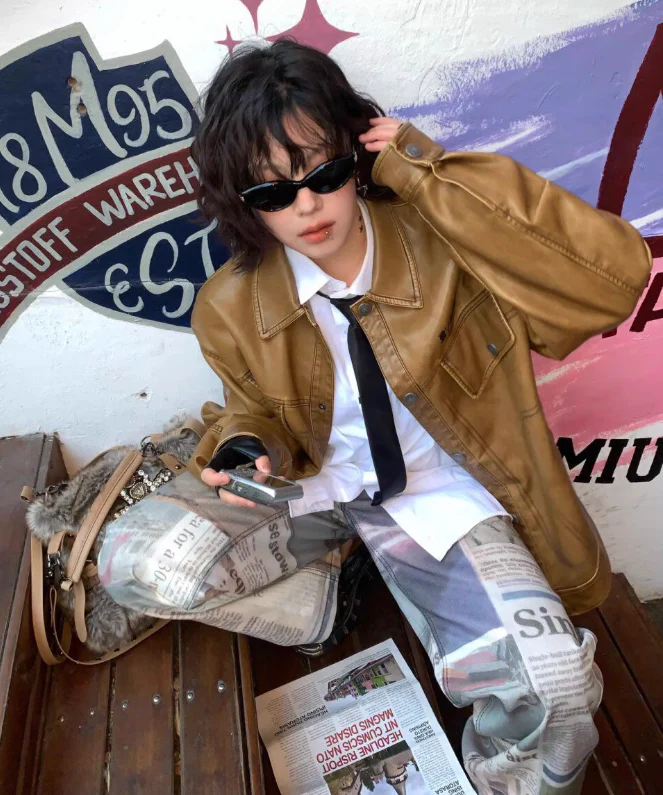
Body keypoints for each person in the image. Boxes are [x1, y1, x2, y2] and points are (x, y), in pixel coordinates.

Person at [188, 38, 651, 794]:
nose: (306, 205)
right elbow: (252, 409)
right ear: (239, 199)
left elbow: (611, 283)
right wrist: (245, 445)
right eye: (271, 191)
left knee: (558, 688)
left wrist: (429, 171)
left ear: (355, 153)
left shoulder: (447, 238)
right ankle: (325, 595)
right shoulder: (228, 305)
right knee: (138, 564)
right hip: (314, 490)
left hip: (435, 499)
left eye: (323, 173)